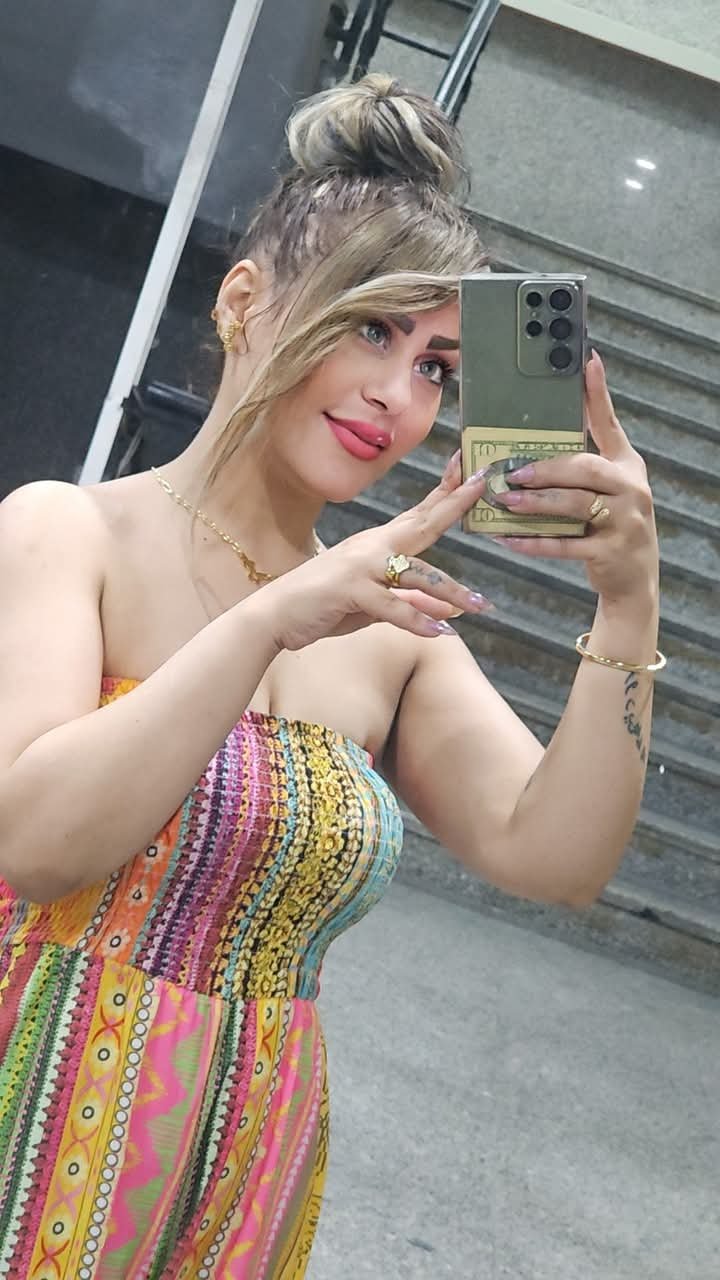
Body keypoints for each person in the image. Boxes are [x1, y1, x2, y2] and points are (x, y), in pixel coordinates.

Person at [0, 73, 661, 1278]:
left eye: (438, 367)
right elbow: (37, 843)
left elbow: (555, 855)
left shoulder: (388, 626)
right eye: (371, 329)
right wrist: (267, 621)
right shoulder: (65, 532)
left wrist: (628, 602)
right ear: (245, 300)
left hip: (246, 1164)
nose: (397, 396)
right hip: (32, 1103)